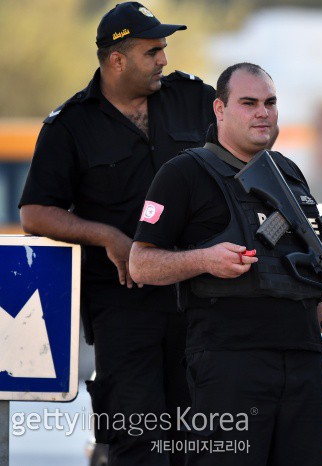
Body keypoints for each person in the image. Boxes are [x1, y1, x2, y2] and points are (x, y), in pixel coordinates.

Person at [129, 62, 322, 466]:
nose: (263, 113)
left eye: (270, 103)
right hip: (230, 362)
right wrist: (205, 259)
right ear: (220, 109)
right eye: (249, 103)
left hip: (303, 360)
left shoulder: (289, 174)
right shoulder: (184, 173)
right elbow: (141, 264)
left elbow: (314, 272)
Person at [18, 3, 216, 465]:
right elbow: (35, 213)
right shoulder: (71, 125)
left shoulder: (193, 98)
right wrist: (108, 236)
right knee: (137, 441)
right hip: (124, 310)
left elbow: (243, 148)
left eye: (164, 48)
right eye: (152, 52)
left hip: (200, 301)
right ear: (117, 60)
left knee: (202, 442)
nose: (164, 59)